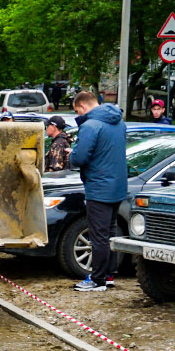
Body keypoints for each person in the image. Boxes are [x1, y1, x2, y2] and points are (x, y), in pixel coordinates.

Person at [67, 90, 127, 291]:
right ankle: (109, 274)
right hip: (117, 186)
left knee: (98, 236)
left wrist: (71, 155)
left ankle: (97, 279)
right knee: (109, 232)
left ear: (83, 107)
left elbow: (80, 158)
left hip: (99, 187)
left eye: (77, 111)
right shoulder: (119, 122)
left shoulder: (90, 126)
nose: (78, 115)